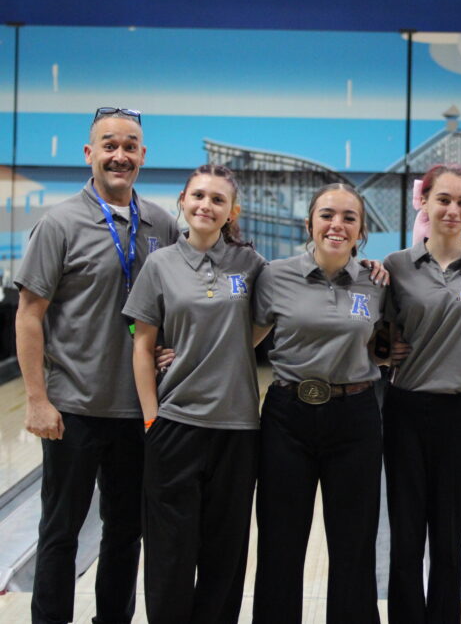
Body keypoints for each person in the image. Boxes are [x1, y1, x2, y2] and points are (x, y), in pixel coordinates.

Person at [14, 107, 178, 624]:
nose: (120, 155)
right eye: (109, 145)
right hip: (74, 409)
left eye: (130, 146)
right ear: (89, 154)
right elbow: (29, 315)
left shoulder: (163, 224)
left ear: (143, 156)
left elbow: (186, 299)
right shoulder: (59, 223)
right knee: (60, 533)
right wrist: (38, 400)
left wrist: (172, 347)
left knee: (126, 532)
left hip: (137, 411)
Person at [125, 164, 266, 624]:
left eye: (218, 200)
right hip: (175, 425)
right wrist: (152, 417)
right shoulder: (160, 264)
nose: (206, 205)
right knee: (169, 552)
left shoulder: (252, 264)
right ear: (183, 202)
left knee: (225, 554)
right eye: (199, 196)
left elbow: (267, 321)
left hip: (238, 428)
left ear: (231, 212)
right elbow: (143, 344)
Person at [251, 183, 385, 623]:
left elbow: (390, 343)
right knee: (280, 542)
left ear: (361, 229)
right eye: (328, 214)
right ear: (309, 223)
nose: (337, 225)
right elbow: (240, 340)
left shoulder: (377, 281)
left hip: (356, 418)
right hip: (288, 418)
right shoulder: (275, 275)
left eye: (349, 217)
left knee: (354, 544)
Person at [381, 163, 461, 624]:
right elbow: (379, 333)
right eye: (444, 200)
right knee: (407, 535)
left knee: (449, 535)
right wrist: (383, 351)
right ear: (424, 203)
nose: (452, 210)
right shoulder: (395, 265)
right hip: (405, 411)